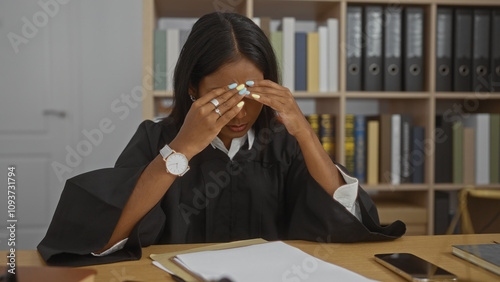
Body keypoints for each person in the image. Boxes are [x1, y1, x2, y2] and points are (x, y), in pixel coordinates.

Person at [38, 12, 405, 266]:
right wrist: (182, 149)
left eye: (251, 96)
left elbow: (348, 219)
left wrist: (304, 133)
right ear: (193, 88)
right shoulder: (156, 138)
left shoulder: (282, 144)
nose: (241, 113)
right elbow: (105, 238)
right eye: (223, 97)